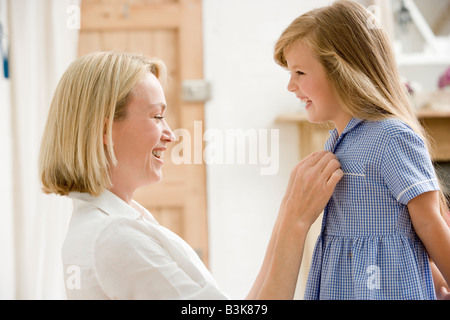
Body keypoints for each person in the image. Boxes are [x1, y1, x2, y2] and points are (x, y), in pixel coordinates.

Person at [39, 51, 343, 299]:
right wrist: (295, 223)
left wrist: (288, 215)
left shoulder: (117, 223)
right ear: (104, 129)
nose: (170, 134)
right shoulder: (114, 238)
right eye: (157, 116)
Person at [274, 0, 450, 299]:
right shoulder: (336, 141)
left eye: (300, 73)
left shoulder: (392, 137)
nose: (291, 85)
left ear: (343, 70)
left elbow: (428, 221)